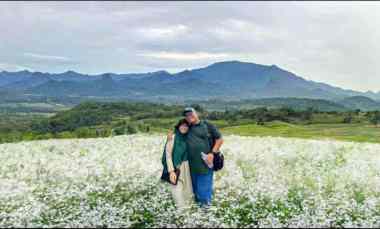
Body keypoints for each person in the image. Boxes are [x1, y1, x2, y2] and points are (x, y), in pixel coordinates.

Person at [183, 107, 224, 207]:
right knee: (195, 192)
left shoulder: (207, 125)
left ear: (196, 114)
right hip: (190, 167)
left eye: (191, 114)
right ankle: (198, 216)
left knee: (204, 192)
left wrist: (212, 153)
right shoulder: (186, 128)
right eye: (187, 115)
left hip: (205, 165)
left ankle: (206, 214)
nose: (189, 116)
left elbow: (220, 139)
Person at [162, 119, 194, 210]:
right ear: (178, 126)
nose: (184, 127)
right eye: (182, 125)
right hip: (176, 169)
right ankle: (180, 214)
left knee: (188, 193)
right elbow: (168, 156)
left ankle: (188, 215)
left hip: (187, 168)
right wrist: (171, 171)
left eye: (186, 126)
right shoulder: (172, 138)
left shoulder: (189, 138)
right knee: (177, 193)